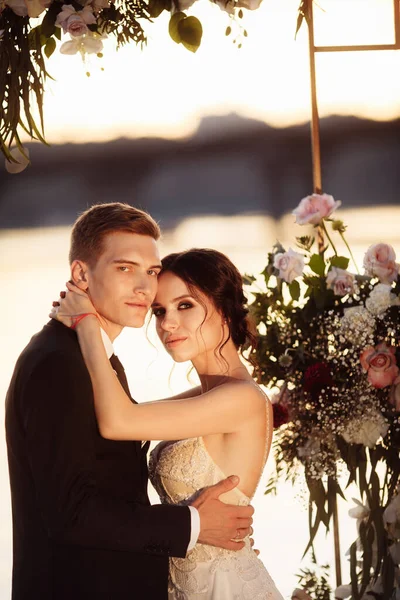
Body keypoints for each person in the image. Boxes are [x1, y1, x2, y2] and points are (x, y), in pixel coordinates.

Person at [5, 203, 254, 600]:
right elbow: (71, 513)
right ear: (81, 274)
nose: (144, 287)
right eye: (125, 268)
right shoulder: (58, 363)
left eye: (151, 272)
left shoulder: (92, 359)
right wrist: (193, 525)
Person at [52, 247, 284, 599]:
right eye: (159, 311)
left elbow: (119, 421)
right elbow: (121, 420)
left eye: (185, 305)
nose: (166, 324)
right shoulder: (208, 394)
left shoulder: (243, 399)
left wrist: (87, 324)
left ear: (224, 306)